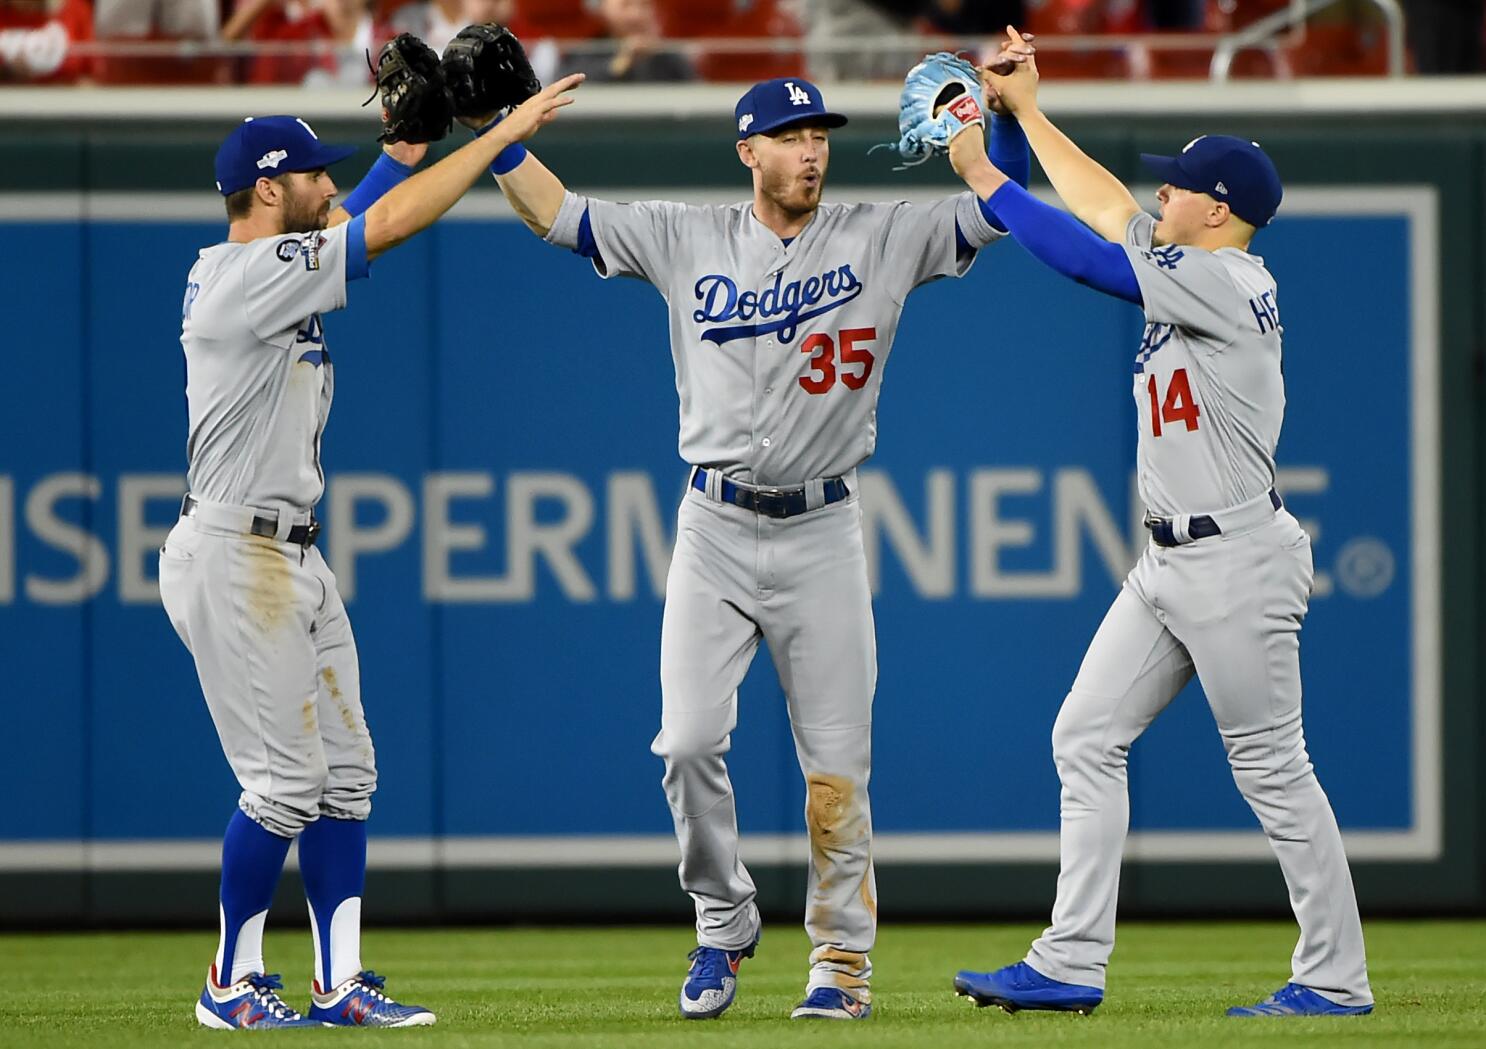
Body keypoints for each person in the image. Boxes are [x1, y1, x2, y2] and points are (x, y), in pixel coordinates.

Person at [479, 65, 1030, 1020]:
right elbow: (558, 215)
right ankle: (723, 917)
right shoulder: (686, 236)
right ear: (749, 151)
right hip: (715, 525)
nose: (811, 151)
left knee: (837, 769)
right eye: (790, 136)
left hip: (823, 528)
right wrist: (496, 132)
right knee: (687, 742)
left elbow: (999, 210)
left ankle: (841, 964)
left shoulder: (881, 234)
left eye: (819, 135)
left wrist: (1012, 119)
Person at [945, 27, 1374, 1020]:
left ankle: (1334, 977)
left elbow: (1086, 258)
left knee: (1273, 770)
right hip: (1170, 561)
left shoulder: (1226, 280)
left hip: (1235, 559)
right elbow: (1102, 206)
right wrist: (1025, 113)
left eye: (1178, 186)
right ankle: (1069, 960)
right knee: (1085, 735)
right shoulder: (1192, 259)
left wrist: (982, 177)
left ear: (1218, 209)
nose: (1161, 194)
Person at [160, 75, 583, 1029]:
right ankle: (229, 981)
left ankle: (339, 981)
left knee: (345, 776)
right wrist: (499, 137)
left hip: (288, 551)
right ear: (268, 189)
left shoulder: (265, 259)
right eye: (313, 174)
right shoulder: (244, 276)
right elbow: (380, 227)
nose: (328, 185)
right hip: (235, 551)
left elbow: (354, 215)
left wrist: (403, 149)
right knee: (282, 785)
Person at [560, 0, 691, 83]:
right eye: (626, 5)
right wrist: (619, 65)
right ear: (601, 9)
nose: (636, 15)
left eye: (644, 5)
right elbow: (567, 89)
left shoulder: (668, 57)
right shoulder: (585, 52)